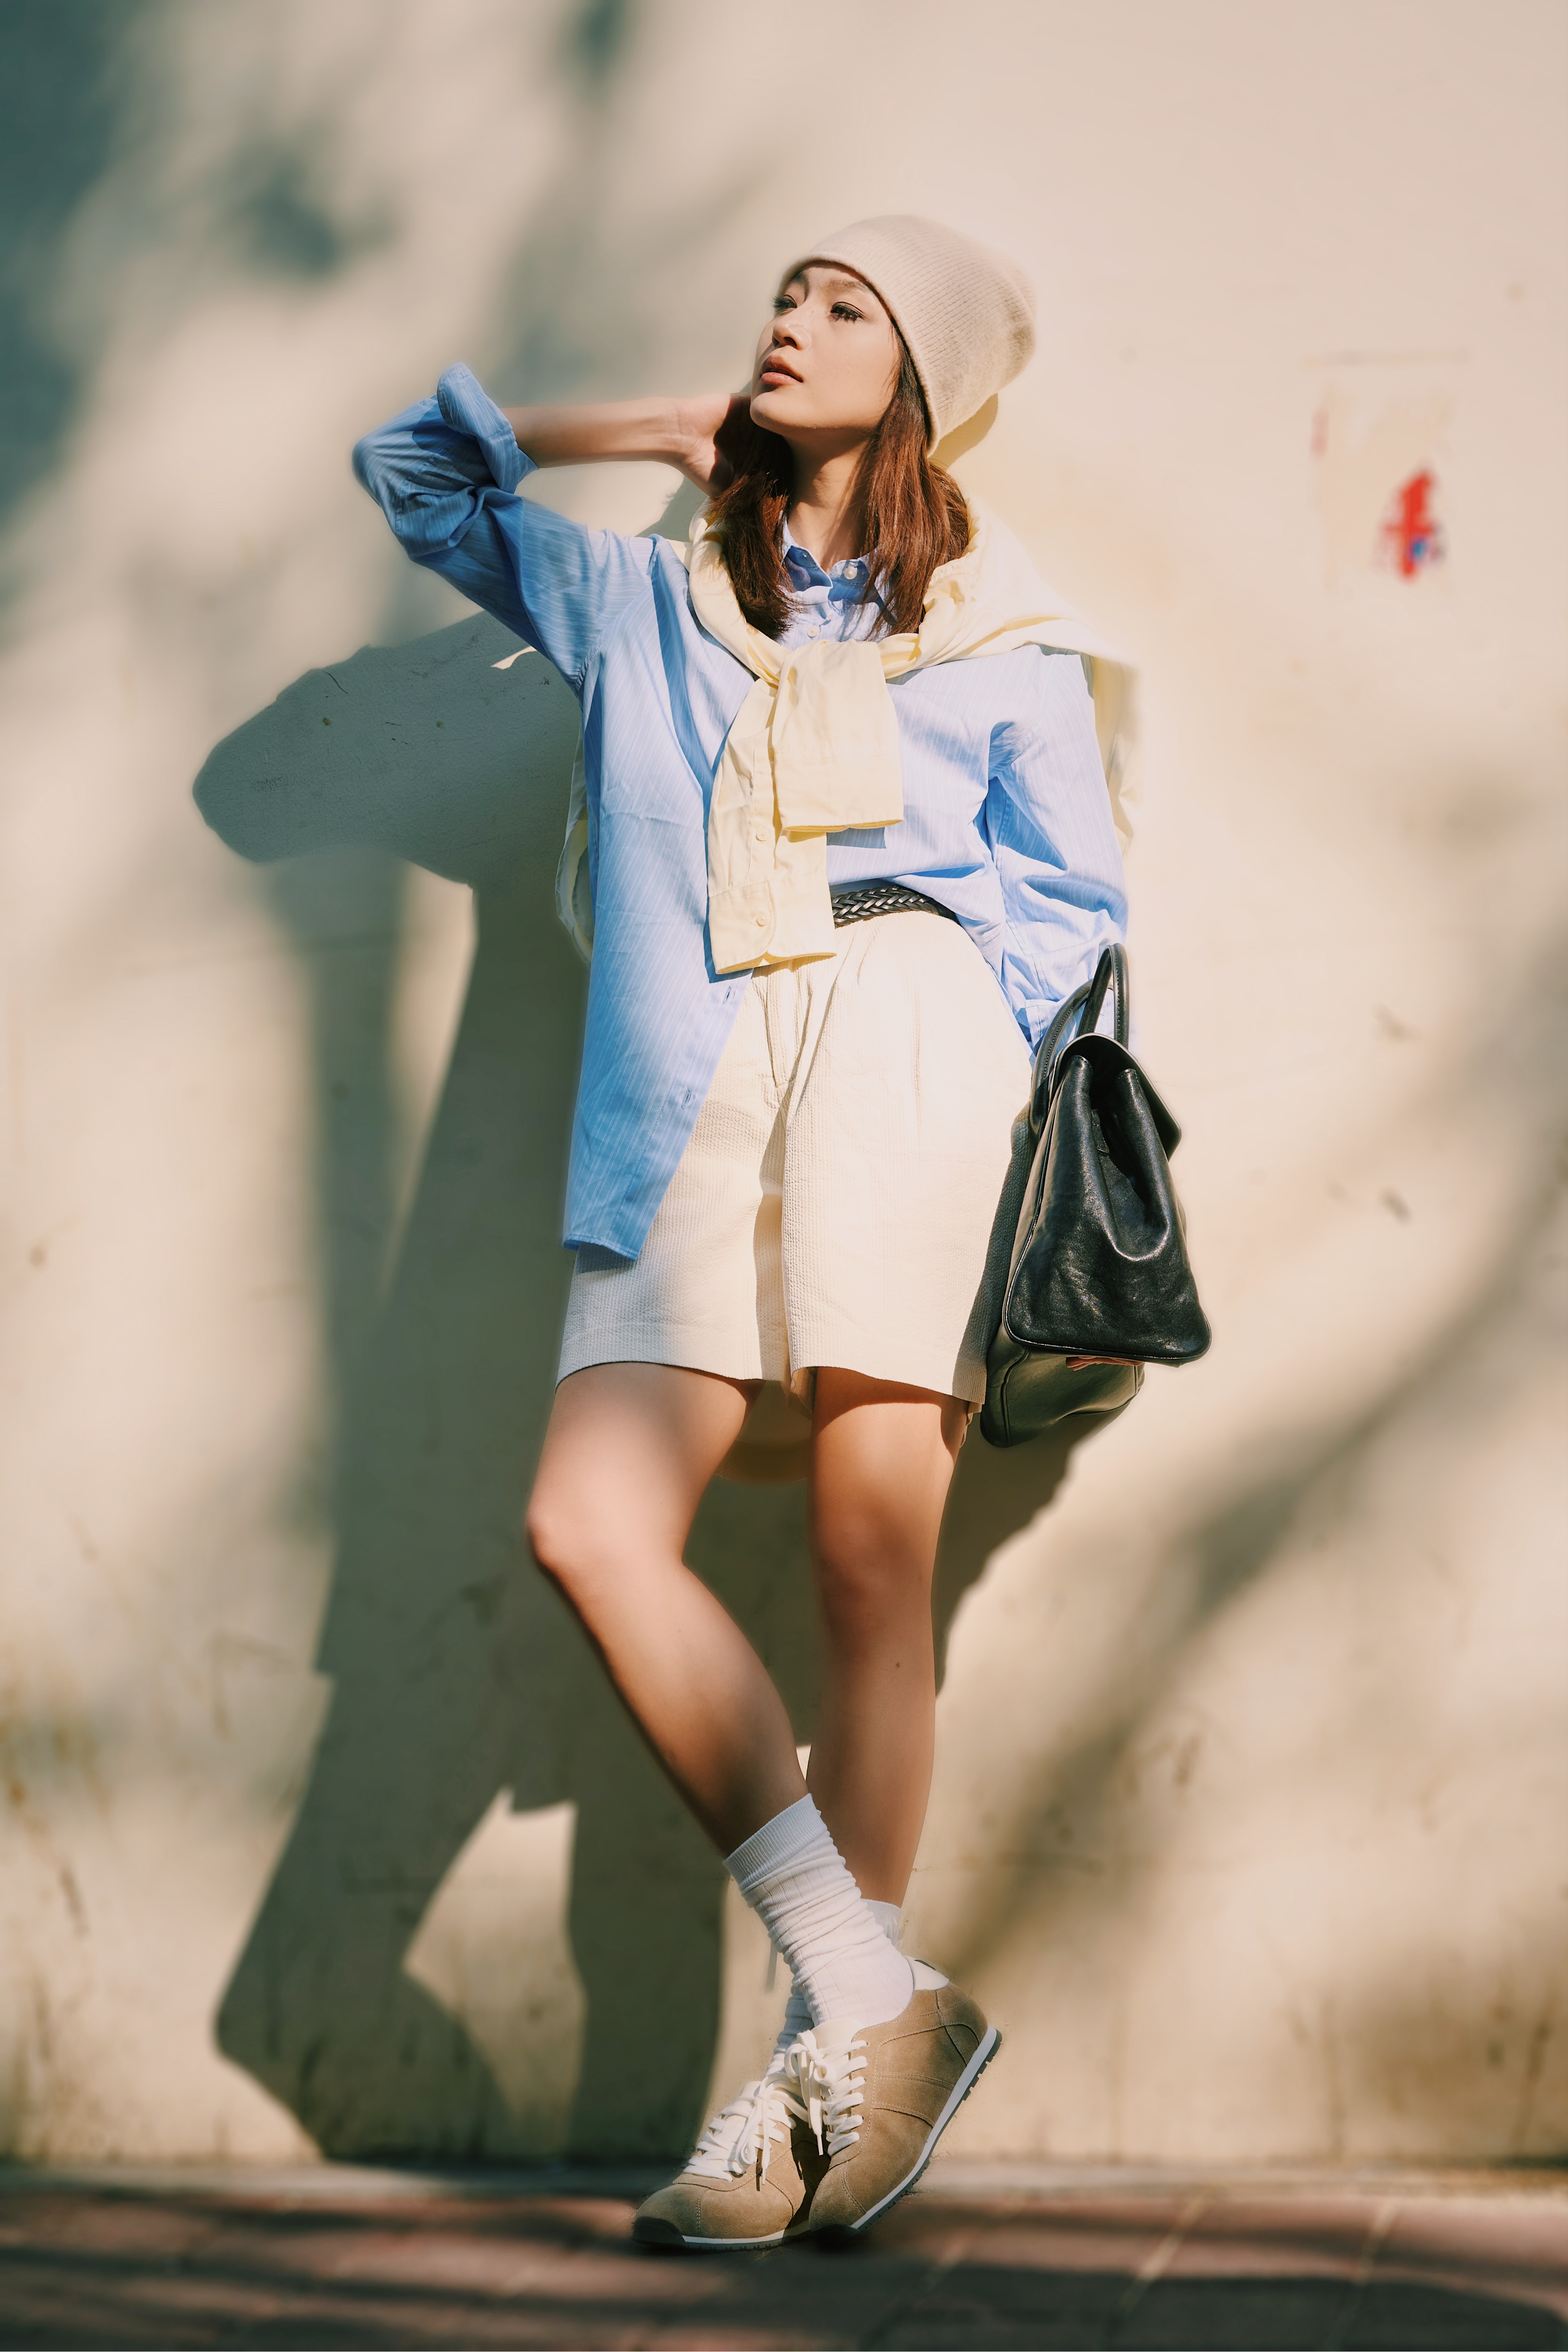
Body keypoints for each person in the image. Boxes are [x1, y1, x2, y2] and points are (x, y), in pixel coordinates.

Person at [353, 214, 1127, 2249]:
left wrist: (955, 1044)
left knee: (874, 1569)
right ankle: (878, 1995)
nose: (795, 320)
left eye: (846, 305)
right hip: (690, 1072)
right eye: (788, 294)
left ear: (923, 373)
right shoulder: (649, 595)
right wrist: (657, 430)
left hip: (911, 1063)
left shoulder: (1005, 632)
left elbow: (1072, 910)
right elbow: (412, 476)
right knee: (591, 1525)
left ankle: (813, 2101)